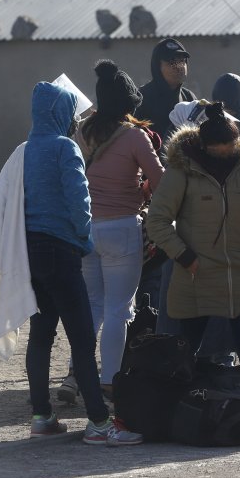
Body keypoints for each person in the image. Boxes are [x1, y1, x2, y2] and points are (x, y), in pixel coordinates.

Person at [22, 79, 143, 445]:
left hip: (31, 249)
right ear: (60, 113)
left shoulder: (25, 149)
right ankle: (99, 422)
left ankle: (42, 415)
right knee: (81, 337)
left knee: (41, 334)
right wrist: (83, 239)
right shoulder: (65, 149)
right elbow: (80, 202)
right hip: (61, 250)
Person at [146, 103, 240, 378]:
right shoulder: (181, 172)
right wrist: (185, 257)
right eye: (219, 147)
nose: (225, 152)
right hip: (196, 277)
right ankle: (181, 407)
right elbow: (156, 220)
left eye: (230, 145)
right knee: (185, 351)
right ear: (205, 145)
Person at [74, 60, 163, 404]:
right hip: (123, 227)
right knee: (119, 310)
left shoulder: (82, 132)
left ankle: (80, 376)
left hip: (86, 229)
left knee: (92, 307)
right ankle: (110, 380)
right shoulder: (135, 136)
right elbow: (160, 181)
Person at [135, 37, 195, 142]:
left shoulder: (189, 98)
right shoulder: (141, 99)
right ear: (158, 67)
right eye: (172, 62)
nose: (179, 66)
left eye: (182, 61)